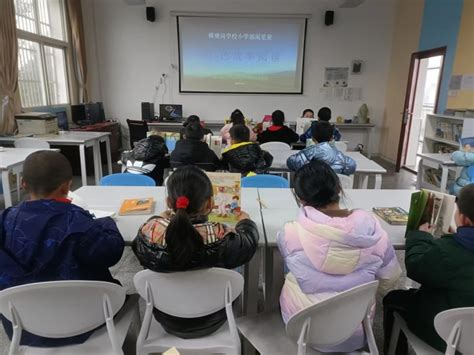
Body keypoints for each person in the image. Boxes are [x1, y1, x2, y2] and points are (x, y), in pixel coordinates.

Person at [0, 151, 124, 347]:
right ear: (67, 186)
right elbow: (111, 253)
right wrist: (107, 223)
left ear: (23, 183)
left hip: (24, 327)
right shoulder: (79, 223)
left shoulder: (4, 220)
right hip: (85, 322)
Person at [278, 160, 401, 353]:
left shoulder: (289, 233)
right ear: (339, 187)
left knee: (291, 276)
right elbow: (390, 278)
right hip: (356, 330)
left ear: (300, 198)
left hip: (304, 330)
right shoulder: (374, 233)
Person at [132, 166, 259, 338]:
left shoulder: (149, 233)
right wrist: (246, 223)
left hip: (167, 318)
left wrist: (157, 219)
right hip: (214, 317)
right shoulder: (221, 235)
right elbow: (248, 245)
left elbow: (138, 244)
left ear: (169, 203)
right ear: (210, 204)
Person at [383, 184, 474, 354]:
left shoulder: (448, 252)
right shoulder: (452, 247)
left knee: (393, 299)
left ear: (464, 218)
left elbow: (416, 267)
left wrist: (419, 236)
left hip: (449, 336)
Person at [287, 121, 356, 174]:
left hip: (310, 190)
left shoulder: (306, 153)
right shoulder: (340, 157)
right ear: (332, 138)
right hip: (332, 191)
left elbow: (290, 162)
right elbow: (352, 166)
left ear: (313, 138)